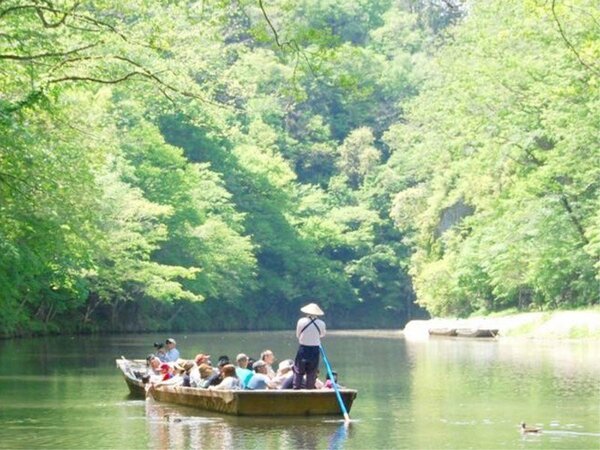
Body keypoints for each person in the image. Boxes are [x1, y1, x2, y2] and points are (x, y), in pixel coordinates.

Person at [293, 302, 326, 390]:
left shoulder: (301, 321)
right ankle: (310, 389)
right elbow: (322, 335)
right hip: (315, 349)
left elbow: (298, 334)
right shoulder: (321, 323)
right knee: (312, 371)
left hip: (303, 348)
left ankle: (296, 388)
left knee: (298, 370)